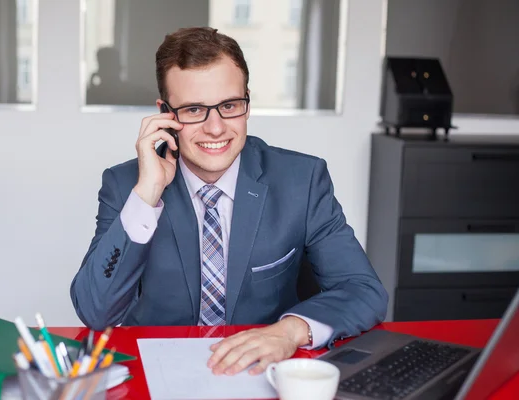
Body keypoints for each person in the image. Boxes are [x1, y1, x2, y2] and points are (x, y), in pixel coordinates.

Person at [70, 27, 388, 376]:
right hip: (160, 372)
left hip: (262, 372)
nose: (216, 128)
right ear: (165, 114)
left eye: (229, 106)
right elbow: (96, 311)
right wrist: (147, 195)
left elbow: (363, 290)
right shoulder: (125, 185)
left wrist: (289, 331)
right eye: (193, 110)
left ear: (246, 103)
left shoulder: (302, 180)